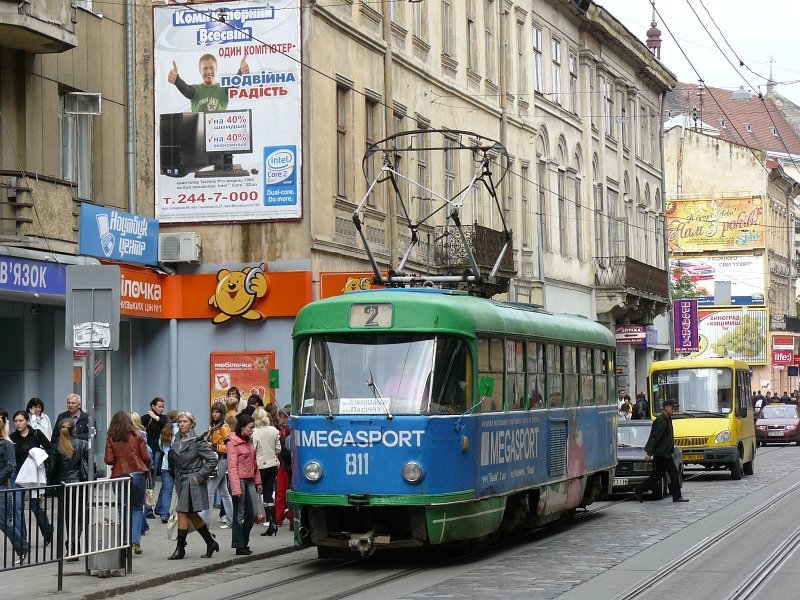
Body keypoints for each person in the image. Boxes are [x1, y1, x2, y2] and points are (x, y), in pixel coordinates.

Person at [167, 411, 219, 560]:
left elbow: (212, 460)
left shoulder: (197, 441)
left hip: (193, 480)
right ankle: (210, 542)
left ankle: (180, 549)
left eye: (185, 421)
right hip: (181, 480)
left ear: (191, 423)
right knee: (189, 513)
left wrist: (200, 475)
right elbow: (174, 462)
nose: (182, 424)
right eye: (180, 422)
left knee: (182, 512)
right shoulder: (176, 439)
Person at [104, 411, 151, 555]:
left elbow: (108, 459)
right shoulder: (137, 435)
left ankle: (125, 542)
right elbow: (146, 456)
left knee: (122, 509)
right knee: (137, 508)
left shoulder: (112, 437)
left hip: (120, 475)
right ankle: (135, 541)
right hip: (137, 473)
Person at [9, 410, 54, 546]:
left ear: (27, 421)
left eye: (20, 420)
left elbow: (50, 450)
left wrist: (37, 453)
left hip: (34, 475)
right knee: (17, 507)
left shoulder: (36, 434)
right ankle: (23, 540)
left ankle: (47, 531)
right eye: (16, 421)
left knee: (36, 507)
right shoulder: (12, 438)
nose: (18, 423)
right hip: (18, 475)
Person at [633, 399, 688, 503]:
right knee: (674, 473)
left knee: (657, 475)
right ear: (666, 407)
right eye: (673, 408)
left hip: (663, 452)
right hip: (662, 453)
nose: (674, 410)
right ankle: (677, 496)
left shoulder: (667, 418)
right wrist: (649, 453)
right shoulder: (661, 420)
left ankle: (639, 490)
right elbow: (655, 437)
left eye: (675, 408)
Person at [52, 418, 89, 559]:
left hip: (63, 485)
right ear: (75, 429)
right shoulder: (82, 444)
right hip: (78, 484)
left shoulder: (57, 447)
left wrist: (50, 486)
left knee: (69, 516)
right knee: (80, 515)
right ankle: (73, 542)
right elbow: (92, 465)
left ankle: (72, 543)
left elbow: (53, 469)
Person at [227, 413, 262, 555]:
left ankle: (244, 541)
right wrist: (235, 488)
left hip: (250, 480)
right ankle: (239, 544)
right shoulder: (232, 443)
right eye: (250, 428)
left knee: (253, 512)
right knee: (239, 514)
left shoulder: (250, 441)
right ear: (242, 428)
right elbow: (232, 467)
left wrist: (258, 481)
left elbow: (254, 463)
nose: (252, 430)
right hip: (239, 480)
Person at [168, 54, 249, 113]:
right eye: (205, 68)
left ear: (216, 69)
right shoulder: (196, 90)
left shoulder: (224, 90)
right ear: (200, 70)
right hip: (199, 135)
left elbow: (234, 86)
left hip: (219, 135)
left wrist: (241, 71)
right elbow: (186, 90)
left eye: (212, 68)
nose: (209, 71)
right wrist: (176, 80)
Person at [0, 409, 30, 565]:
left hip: (3, 488)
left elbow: (11, 466)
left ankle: (23, 547)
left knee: (5, 522)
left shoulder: (7, 444)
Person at [200, 402, 233, 530]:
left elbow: (229, 447)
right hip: (216, 460)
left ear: (222, 413)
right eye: (213, 411)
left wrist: (212, 446)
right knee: (224, 492)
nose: (214, 414)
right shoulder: (214, 426)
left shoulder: (223, 427)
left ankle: (204, 522)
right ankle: (231, 520)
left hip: (221, 460)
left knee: (210, 490)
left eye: (217, 411)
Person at [252, 407, 280, 536]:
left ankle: (258, 518)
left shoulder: (255, 432)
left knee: (257, 491)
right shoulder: (274, 430)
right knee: (269, 493)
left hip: (261, 465)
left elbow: (253, 450)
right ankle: (272, 522)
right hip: (273, 464)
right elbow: (278, 449)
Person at [141, 397, 168, 519]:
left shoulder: (163, 418)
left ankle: (160, 507)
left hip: (164, 454)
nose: (161, 409)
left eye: (163, 406)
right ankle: (148, 509)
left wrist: (156, 417)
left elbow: (166, 424)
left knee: (166, 483)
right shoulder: (145, 418)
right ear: (152, 406)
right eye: (159, 406)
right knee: (150, 482)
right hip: (151, 453)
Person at [154, 410, 178, 523]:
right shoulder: (180, 430)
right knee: (179, 490)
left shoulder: (164, 430)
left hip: (166, 464)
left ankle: (164, 514)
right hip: (178, 465)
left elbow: (160, 446)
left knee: (166, 490)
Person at [274, 406, 293, 529]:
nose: (278, 419)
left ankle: (279, 518)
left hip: (285, 464)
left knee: (281, 493)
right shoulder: (286, 431)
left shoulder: (287, 432)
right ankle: (289, 519)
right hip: (289, 464)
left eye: (280, 417)